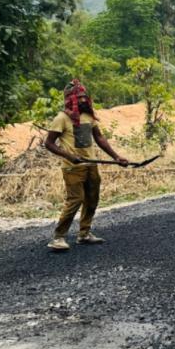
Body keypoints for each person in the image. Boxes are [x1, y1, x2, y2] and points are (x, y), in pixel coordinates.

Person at [44, 79, 128, 251]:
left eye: (84, 97)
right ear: (70, 99)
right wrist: (69, 156)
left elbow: (99, 138)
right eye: (78, 97)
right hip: (72, 167)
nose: (82, 100)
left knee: (92, 198)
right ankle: (58, 237)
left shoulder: (89, 116)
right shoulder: (61, 118)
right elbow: (49, 144)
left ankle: (84, 233)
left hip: (91, 164)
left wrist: (116, 157)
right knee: (76, 199)